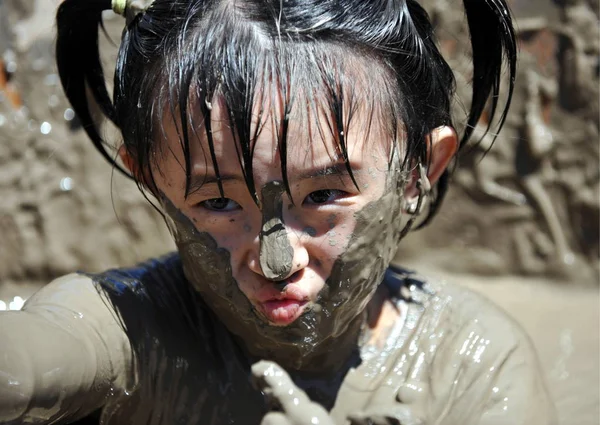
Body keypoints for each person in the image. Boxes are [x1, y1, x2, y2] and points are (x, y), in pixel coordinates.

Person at [0, 0, 555, 423]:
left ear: (419, 171)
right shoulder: (131, 335)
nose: (276, 260)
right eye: (217, 201)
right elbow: (26, 361)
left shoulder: (472, 366)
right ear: (150, 180)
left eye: (323, 195)